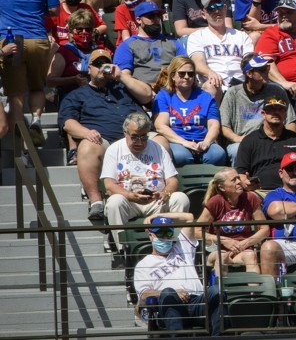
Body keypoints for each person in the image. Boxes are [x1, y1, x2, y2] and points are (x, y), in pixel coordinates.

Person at [59, 47, 156, 222]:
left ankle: (158, 192)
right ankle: (96, 201)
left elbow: (147, 95)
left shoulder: (124, 87)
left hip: (136, 137)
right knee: (88, 145)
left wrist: (122, 76)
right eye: (97, 64)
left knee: (161, 141)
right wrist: (86, 132)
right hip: (104, 142)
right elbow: (67, 122)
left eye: (106, 63)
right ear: (89, 69)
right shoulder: (77, 95)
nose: (102, 67)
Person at [102, 112, 189, 263]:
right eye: (135, 137)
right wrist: (130, 196)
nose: (140, 142)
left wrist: (166, 192)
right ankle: (124, 251)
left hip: (156, 202)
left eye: (144, 137)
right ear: (125, 133)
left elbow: (173, 180)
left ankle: (174, 246)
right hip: (129, 202)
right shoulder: (114, 149)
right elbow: (109, 185)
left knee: (180, 198)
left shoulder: (158, 148)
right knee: (114, 201)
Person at [0, 0, 55, 141]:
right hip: (37, 38)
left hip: (10, 40)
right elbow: (55, 10)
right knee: (37, 87)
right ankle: (36, 120)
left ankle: (18, 141)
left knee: (15, 94)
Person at [133, 213, 224, 336]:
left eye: (169, 233)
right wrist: (173, 292)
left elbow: (189, 218)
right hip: (171, 306)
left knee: (216, 290)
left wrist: (158, 215)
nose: (165, 237)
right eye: (160, 233)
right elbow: (143, 295)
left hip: (197, 302)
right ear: (151, 236)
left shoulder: (182, 247)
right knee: (168, 293)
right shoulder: (143, 265)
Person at [219, 53, 294, 164]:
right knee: (237, 150)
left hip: (272, 139)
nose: (267, 72)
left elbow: (291, 122)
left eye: (267, 68)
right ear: (249, 73)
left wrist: (289, 141)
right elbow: (225, 127)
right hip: (242, 140)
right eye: (262, 69)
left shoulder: (277, 91)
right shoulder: (233, 93)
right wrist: (239, 139)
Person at [154, 56, 227, 167]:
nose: (187, 77)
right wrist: (185, 143)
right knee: (180, 156)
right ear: (173, 76)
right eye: (182, 74)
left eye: (191, 74)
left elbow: (214, 125)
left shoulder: (205, 97)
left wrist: (206, 142)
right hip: (176, 142)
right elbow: (161, 126)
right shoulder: (164, 96)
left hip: (202, 141)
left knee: (217, 154)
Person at [197, 167, 270, 274]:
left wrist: (244, 244)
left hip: (242, 250)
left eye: (238, 178)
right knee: (222, 257)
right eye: (233, 180)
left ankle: (255, 290)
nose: (239, 182)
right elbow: (196, 231)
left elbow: (265, 229)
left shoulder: (250, 198)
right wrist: (224, 240)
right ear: (222, 187)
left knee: (251, 255)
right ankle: (220, 290)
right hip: (217, 251)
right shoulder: (215, 202)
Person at [235, 92, 296, 191]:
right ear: (263, 114)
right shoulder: (250, 140)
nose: (276, 112)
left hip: (293, 192)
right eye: (271, 109)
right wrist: (246, 183)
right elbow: (241, 172)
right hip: (260, 192)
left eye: (280, 109)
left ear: (285, 114)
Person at [186, 0, 251, 101]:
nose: (216, 11)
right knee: (210, 87)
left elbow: (249, 61)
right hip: (215, 85)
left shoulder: (241, 36)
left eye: (219, 6)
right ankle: (213, 118)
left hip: (241, 85)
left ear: (225, 8)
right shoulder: (197, 37)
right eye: (211, 8)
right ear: (203, 14)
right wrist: (210, 73)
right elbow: (197, 63)